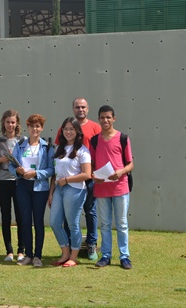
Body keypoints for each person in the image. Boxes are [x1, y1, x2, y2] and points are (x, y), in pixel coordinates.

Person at [54, 97, 101, 260]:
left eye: (83, 107)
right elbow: (59, 153)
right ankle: (68, 249)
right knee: (69, 217)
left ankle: (91, 245)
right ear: (73, 109)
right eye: (77, 107)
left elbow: (100, 151)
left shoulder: (95, 127)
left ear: (88, 109)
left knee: (90, 212)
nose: (80, 109)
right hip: (66, 181)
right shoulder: (65, 128)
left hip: (88, 177)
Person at [8, 114, 54, 267]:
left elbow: (50, 169)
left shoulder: (46, 147)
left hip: (40, 187)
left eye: (38, 126)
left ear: (41, 128)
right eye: (32, 126)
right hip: (22, 186)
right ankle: (28, 255)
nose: (35, 129)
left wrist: (36, 173)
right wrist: (18, 172)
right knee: (25, 221)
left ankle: (38, 256)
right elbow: (10, 165)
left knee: (38, 222)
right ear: (27, 128)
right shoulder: (20, 145)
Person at [91, 105, 134, 270]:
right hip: (102, 189)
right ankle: (106, 256)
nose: (105, 120)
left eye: (108, 117)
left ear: (114, 118)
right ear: (99, 119)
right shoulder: (95, 140)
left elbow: (130, 164)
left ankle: (124, 257)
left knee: (122, 223)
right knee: (105, 224)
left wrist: (121, 171)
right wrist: (95, 176)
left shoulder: (123, 138)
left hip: (120, 187)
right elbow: (92, 165)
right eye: (102, 117)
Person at [48, 117, 91, 267]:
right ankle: (65, 253)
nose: (68, 132)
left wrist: (67, 180)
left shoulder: (83, 151)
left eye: (72, 129)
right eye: (66, 129)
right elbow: (55, 174)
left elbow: (87, 174)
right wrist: (51, 193)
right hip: (59, 189)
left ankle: (73, 257)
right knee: (54, 223)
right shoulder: (59, 148)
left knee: (73, 224)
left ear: (78, 131)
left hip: (75, 189)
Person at [0, 110, 26, 262]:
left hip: (19, 181)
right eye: (8, 122)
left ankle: (21, 250)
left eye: (13, 122)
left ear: (17, 124)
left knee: (20, 216)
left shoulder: (23, 140)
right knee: (5, 216)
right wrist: (1, 159)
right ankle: (9, 251)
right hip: (3, 182)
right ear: (3, 123)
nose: (10, 125)